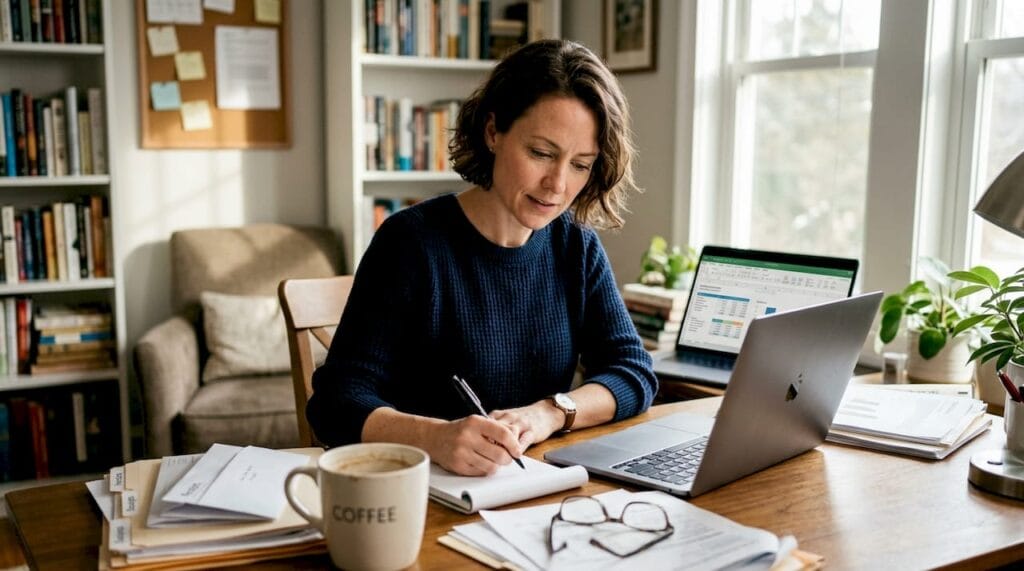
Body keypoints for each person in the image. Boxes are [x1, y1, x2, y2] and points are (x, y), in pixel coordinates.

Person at [307, 39, 657, 476]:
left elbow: (632, 372)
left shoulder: (576, 245)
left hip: (531, 485)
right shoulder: (411, 242)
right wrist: (434, 437)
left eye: (580, 164)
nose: (557, 184)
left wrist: (548, 413)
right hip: (422, 488)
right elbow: (335, 401)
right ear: (493, 132)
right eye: (541, 153)